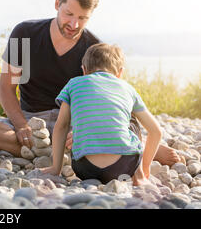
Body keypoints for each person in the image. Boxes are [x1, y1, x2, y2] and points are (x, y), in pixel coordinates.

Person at [0, 0, 180, 166]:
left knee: (93, 135)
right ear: (57, 4)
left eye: (82, 18)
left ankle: (56, 152)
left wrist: (79, 130)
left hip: (74, 124)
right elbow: (6, 88)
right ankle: (64, 152)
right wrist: (21, 125)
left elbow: (105, 100)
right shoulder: (24, 33)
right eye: (68, 14)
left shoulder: (94, 49)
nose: (73, 24)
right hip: (32, 123)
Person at [40, 43, 162, 185]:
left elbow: (61, 126)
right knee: (132, 120)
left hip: (84, 169)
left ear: (84, 70)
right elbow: (156, 131)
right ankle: (139, 177)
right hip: (124, 166)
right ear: (120, 73)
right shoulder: (128, 88)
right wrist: (146, 167)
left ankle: (60, 167)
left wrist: (56, 168)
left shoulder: (73, 84)